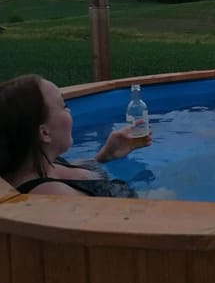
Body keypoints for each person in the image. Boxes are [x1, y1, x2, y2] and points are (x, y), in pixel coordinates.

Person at [0, 74, 152, 197]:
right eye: (64, 106)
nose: (70, 111)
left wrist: (105, 156)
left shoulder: (42, 162)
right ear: (45, 133)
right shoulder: (50, 194)